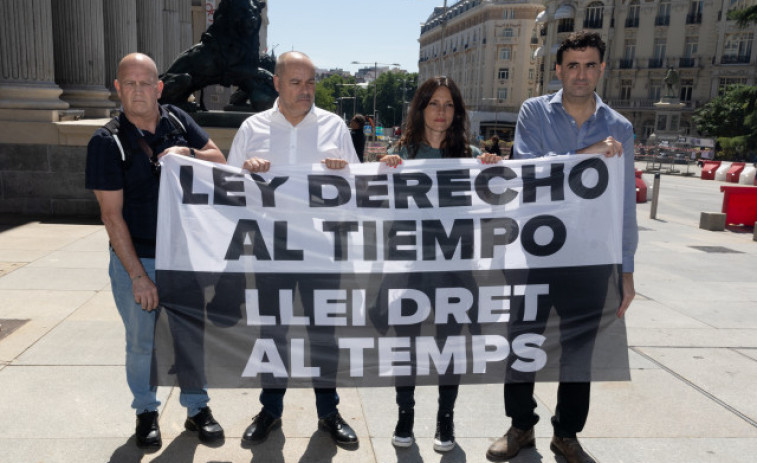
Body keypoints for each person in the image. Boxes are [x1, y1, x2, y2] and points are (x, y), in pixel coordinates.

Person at [485, 31, 638, 463]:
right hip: (536, 253)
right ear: (557, 69)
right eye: (572, 65)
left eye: (590, 65)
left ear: (602, 69)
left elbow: (624, 204)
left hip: (591, 257)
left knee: (579, 352)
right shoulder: (534, 113)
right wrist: (589, 154)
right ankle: (520, 427)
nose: (581, 74)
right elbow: (531, 174)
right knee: (522, 344)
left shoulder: (620, 128)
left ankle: (566, 434)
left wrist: (626, 270)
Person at [85, 53, 227, 449]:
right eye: (128, 84)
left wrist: (189, 154)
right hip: (140, 258)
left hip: (185, 256)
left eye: (145, 83)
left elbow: (220, 160)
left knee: (190, 337)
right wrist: (138, 276)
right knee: (141, 342)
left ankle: (197, 408)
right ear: (118, 88)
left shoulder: (179, 122)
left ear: (159, 87)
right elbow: (112, 218)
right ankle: (146, 411)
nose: (137, 91)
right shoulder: (105, 142)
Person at [227, 51, 360, 448]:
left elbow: (358, 190)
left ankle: (328, 411)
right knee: (274, 333)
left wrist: (344, 174)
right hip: (272, 249)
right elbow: (228, 190)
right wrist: (245, 173)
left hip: (322, 250)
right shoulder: (252, 128)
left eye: (311, 82)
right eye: (297, 82)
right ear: (277, 83)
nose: (306, 90)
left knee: (324, 334)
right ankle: (271, 410)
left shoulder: (335, 127)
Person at [381, 76, 499, 452]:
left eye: (449, 105)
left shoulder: (472, 156)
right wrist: (383, 169)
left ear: (457, 112)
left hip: (455, 268)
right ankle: (405, 415)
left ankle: (445, 419)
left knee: (450, 345)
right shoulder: (399, 154)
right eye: (434, 103)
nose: (441, 112)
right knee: (408, 345)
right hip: (410, 268)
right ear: (421, 108)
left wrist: (493, 168)